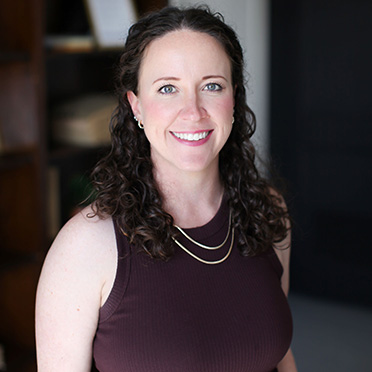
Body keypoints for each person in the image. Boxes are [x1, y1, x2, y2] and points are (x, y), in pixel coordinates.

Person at [35, 6, 297, 372]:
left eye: (211, 86)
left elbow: (279, 356)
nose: (193, 111)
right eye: (168, 88)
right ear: (136, 106)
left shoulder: (268, 212)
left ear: (234, 98)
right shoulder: (85, 246)